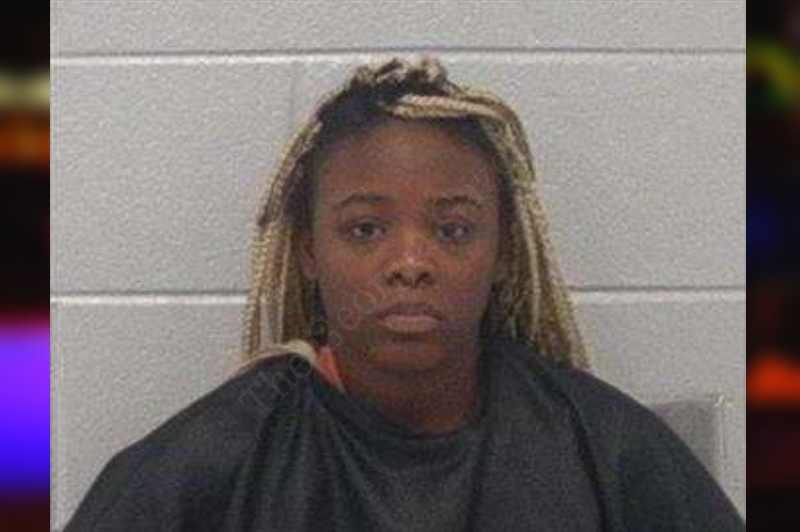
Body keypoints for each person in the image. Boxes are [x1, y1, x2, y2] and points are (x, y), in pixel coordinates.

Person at [64, 56, 744, 531]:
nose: (411, 263)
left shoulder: (606, 450)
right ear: (309, 249)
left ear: (503, 251)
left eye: (454, 229)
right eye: (365, 229)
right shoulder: (213, 463)